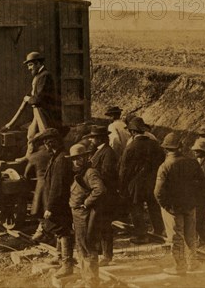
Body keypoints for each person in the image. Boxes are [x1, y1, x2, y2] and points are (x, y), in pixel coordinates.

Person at [154, 133, 205, 275]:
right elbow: (202, 184)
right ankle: (192, 262)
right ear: (180, 147)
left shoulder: (165, 166)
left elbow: (158, 192)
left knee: (176, 237)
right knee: (190, 235)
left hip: (173, 208)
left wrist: (166, 206)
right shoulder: (192, 162)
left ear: (166, 149)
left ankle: (180, 267)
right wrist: (194, 200)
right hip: (189, 205)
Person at [3, 51, 59, 161]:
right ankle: (29, 157)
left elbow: (39, 98)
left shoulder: (45, 76)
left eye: (30, 64)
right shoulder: (38, 76)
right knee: (31, 135)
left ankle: (54, 155)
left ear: (38, 63)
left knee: (46, 135)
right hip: (37, 111)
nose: (29, 68)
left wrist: (29, 99)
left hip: (43, 111)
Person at [119, 116, 165, 243]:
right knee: (153, 206)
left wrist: (122, 187)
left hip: (136, 184)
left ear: (133, 132)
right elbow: (162, 162)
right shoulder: (155, 145)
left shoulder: (130, 147)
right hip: (153, 181)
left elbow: (124, 170)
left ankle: (141, 235)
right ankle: (158, 231)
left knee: (136, 208)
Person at [37, 128, 75, 278]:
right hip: (59, 201)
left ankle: (67, 264)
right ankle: (59, 256)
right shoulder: (57, 156)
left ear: (52, 142)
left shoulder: (60, 159)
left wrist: (50, 207)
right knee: (59, 229)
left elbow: (57, 186)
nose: (45, 146)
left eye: (47, 143)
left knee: (63, 230)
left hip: (60, 202)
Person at [69, 143, 106, 288]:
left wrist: (86, 202)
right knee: (81, 247)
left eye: (79, 158)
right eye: (74, 159)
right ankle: (86, 280)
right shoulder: (81, 172)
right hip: (78, 214)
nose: (77, 161)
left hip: (84, 215)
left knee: (88, 247)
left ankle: (92, 282)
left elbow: (100, 190)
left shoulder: (90, 172)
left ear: (86, 157)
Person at [87, 125, 118, 266]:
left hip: (106, 196)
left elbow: (107, 175)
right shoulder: (99, 151)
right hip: (101, 194)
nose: (91, 139)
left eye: (93, 137)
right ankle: (102, 253)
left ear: (100, 138)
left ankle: (107, 256)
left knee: (105, 225)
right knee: (99, 224)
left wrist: (93, 179)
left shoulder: (108, 153)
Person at [24, 133, 51, 239]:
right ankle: (47, 231)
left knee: (41, 209)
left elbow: (27, 174)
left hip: (42, 185)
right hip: (54, 184)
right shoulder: (52, 153)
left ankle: (43, 231)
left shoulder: (34, 156)